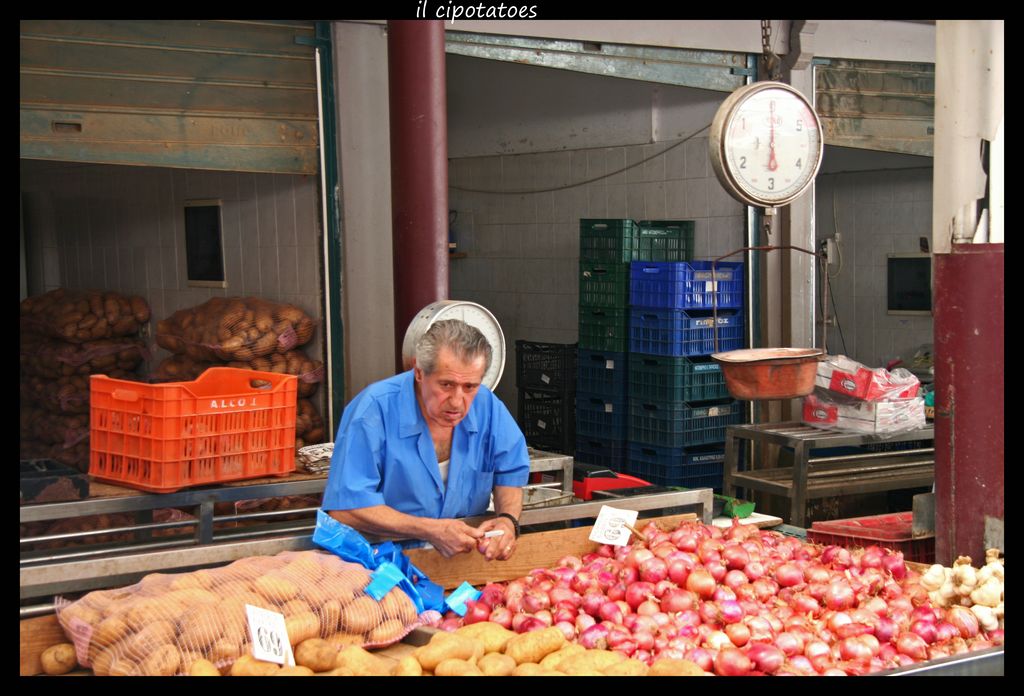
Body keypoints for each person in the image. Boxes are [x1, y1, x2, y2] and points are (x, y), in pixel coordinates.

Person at [322, 319, 530, 560]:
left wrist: (507, 520)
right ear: (419, 372)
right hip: (381, 563)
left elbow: (510, 474)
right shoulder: (374, 410)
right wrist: (430, 530)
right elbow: (345, 507)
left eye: (470, 386)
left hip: (462, 562)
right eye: (446, 385)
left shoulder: (488, 406)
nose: (457, 401)